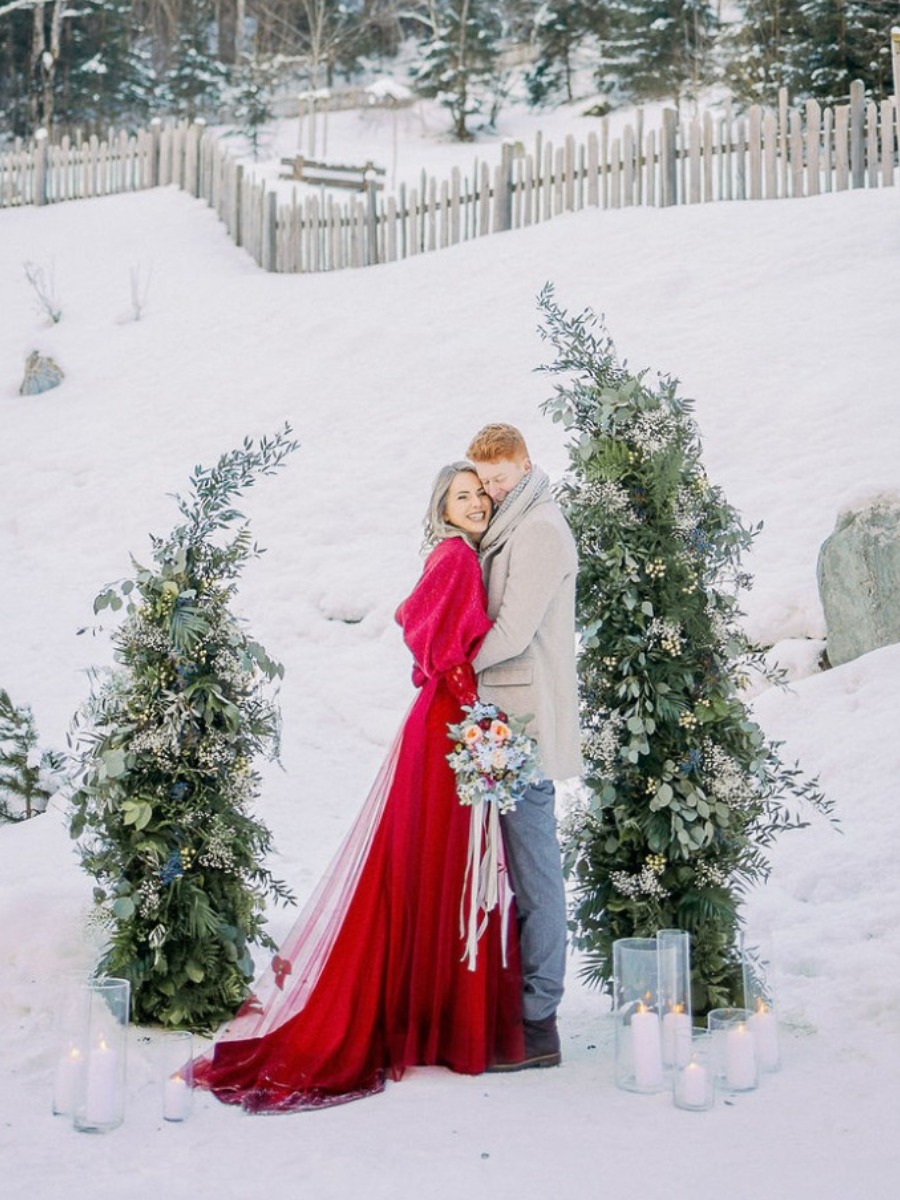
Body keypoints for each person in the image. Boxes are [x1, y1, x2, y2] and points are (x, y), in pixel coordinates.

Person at [192, 464, 524, 1112]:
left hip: (443, 723)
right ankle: (437, 1028)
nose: (477, 502)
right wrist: (476, 712)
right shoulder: (456, 557)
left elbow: (422, 631)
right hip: (452, 726)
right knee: (443, 868)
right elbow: (429, 637)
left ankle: (429, 1024)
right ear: (444, 509)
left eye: (481, 493)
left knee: (438, 868)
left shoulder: (454, 556)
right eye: (463, 496)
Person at [465, 423, 582, 1071]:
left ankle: (540, 1021)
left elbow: (512, 629)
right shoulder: (515, 521)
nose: (491, 491)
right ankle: (511, 1006)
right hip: (501, 720)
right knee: (505, 867)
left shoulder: (538, 529)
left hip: (525, 724)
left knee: (535, 871)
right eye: (484, 483)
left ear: (525, 466)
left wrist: (453, 664)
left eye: (501, 478)